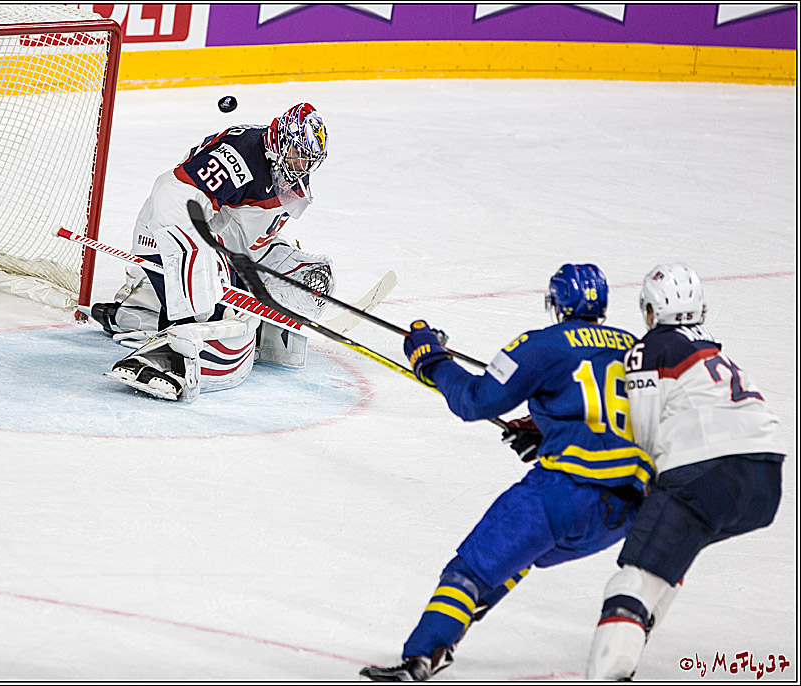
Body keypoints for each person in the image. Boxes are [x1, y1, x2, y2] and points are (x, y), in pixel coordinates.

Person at [360, 264, 656, 681]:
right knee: (520, 556)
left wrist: (432, 361)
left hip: (563, 493)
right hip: (624, 511)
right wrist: (549, 429)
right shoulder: (637, 347)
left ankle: (422, 658)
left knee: (470, 572)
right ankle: (448, 639)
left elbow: (475, 401)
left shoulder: (543, 345)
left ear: (557, 303)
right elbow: (622, 412)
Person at [584, 263, 784, 680]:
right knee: (670, 555)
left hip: (704, 471)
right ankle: (630, 641)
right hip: (765, 479)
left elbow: (645, 434)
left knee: (636, 577)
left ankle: (608, 671)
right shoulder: (714, 350)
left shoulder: (651, 349)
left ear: (652, 311)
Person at [91, 103, 333, 401]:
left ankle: (140, 311)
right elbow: (172, 198)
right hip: (166, 234)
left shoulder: (287, 170)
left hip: (223, 239)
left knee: (309, 280)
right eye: (298, 155)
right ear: (281, 141)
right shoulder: (237, 157)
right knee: (210, 309)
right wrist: (200, 271)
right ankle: (168, 349)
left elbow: (249, 232)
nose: (302, 165)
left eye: (309, 160)